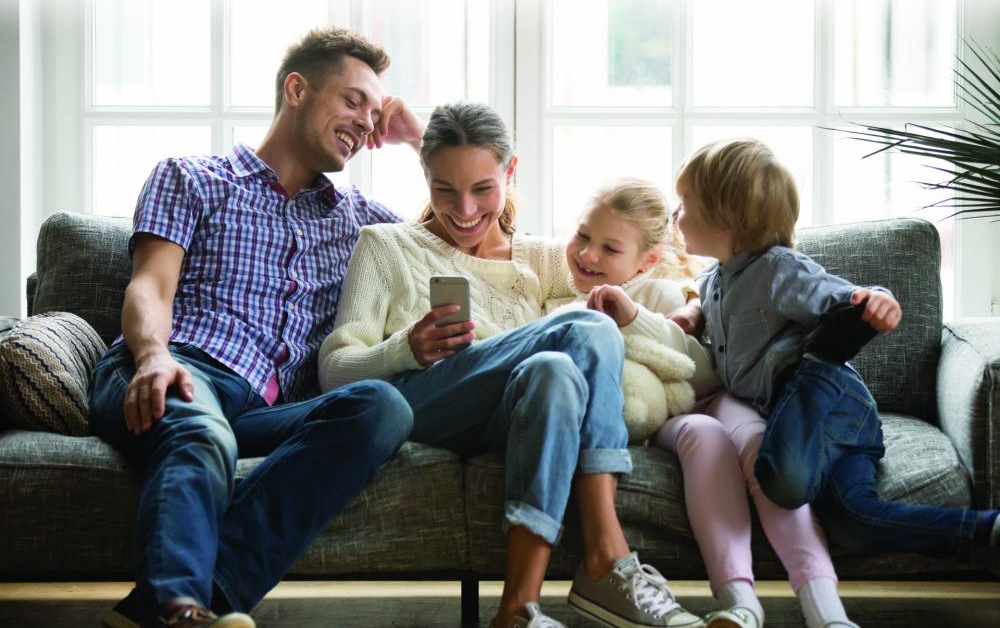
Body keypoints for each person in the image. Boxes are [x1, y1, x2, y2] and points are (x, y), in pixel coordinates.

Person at [88, 26, 425, 628]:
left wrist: (420, 143)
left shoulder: (361, 223)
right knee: (202, 433)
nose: (365, 123)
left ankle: (184, 608)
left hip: (265, 413)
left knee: (382, 406)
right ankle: (176, 609)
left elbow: (472, 235)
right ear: (297, 89)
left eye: (375, 114)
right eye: (353, 101)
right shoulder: (194, 178)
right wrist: (152, 356)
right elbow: (151, 285)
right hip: (180, 368)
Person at [319, 102, 704, 628]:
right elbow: (334, 369)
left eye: (483, 188)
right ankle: (608, 556)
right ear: (425, 177)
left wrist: (697, 301)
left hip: (509, 415)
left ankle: (518, 609)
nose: (464, 209)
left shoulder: (545, 259)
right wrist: (405, 347)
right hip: (424, 404)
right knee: (588, 327)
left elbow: (637, 270)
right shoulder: (386, 246)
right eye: (444, 189)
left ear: (511, 172)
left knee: (557, 371)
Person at [673, 137, 1000, 591]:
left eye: (684, 203)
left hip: (827, 402)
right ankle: (986, 531)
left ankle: (824, 357)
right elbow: (701, 301)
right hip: (818, 428)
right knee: (853, 522)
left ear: (725, 218)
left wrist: (875, 300)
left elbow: (840, 295)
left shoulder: (778, 269)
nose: (676, 214)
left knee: (782, 484)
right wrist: (691, 315)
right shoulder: (714, 279)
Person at [551, 177, 857, 628]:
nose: (587, 255)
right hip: (671, 418)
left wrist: (635, 318)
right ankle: (739, 600)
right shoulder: (560, 302)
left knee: (758, 445)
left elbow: (703, 369)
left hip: (715, 395)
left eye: (609, 249)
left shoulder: (663, 293)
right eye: (581, 236)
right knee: (705, 435)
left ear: (647, 260)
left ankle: (826, 609)